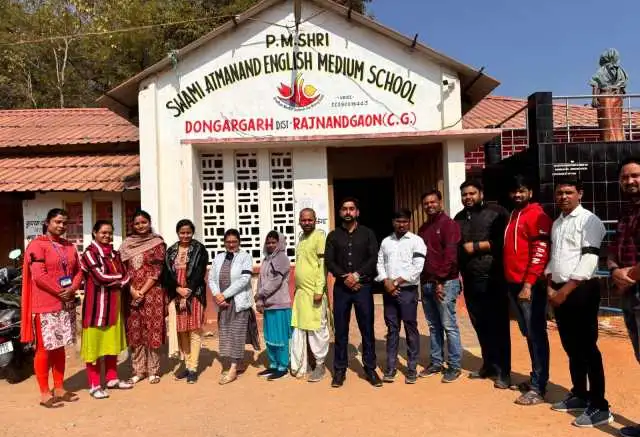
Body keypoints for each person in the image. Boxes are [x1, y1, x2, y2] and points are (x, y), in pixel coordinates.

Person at [546, 177, 612, 428]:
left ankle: (600, 405)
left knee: (588, 348)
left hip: (582, 289)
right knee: (570, 346)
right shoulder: (557, 223)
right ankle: (579, 394)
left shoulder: (589, 220)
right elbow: (555, 258)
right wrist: (551, 286)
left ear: (579, 194)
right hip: (561, 290)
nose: (563, 196)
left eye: (569, 192)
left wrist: (566, 291)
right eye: (560, 193)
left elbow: (589, 259)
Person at [21, 208, 82, 408]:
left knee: (60, 347)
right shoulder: (37, 245)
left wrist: (72, 288)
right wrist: (60, 291)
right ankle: (45, 393)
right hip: (45, 305)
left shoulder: (69, 246)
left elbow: (78, 271)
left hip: (65, 304)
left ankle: (59, 387)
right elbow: (39, 276)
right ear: (47, 222)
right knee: (44, 348)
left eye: (64, 222)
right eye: (57, 222)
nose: (61, 226)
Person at [454, 179, 511, 389]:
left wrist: (477, 246)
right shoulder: (459, 218)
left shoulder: (497, 212)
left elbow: (504, 241)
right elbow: (458, 249)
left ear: (481, 193)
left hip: (493, 278)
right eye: (464, 195)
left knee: (498, 326)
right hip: (470, 279)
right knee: (480, 324)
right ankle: (489, 364)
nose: (468, 198)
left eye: (472, 193)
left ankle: (504, 371)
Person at [503, 175, 552, 405]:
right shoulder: (514, 214)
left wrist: (529, 284)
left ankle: (539, 387)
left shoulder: (537, 215)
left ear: (530, 192)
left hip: (528, 286)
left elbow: (540, 251)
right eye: (513, 191)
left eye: (521, 191)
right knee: (529, 335)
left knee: (537, 335)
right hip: (515, 284)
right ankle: (535, 378)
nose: (517, 195)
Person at [325, 197, 381, 388]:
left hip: (363, 288)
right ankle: (339, 369)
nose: (348, 212)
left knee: (367, 328)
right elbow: (329, 261)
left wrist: (357, 276)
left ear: (357, 212)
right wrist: (345, 277)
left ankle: (370, 368)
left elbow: (374, 258)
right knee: (340, 330)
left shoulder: (368, 234)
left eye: (351, 209)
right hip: (341, 288)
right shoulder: (333, 236)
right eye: (344, 209)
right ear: (340, 212)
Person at [606, 157, 640, 437]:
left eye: (636, 175)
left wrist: (628, 277)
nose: (630, 181)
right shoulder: (626, 213)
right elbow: (613, 250)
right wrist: (615, 270)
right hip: (630, 295)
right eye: (625, 177)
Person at [80, 220, 133, 399]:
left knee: (111, 346)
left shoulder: (114, 254)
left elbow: (127, 276)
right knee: (94, 348)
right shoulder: (89, 254)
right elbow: (100, 277)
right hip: (96, 308)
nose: (107, 236)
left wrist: (118, 279)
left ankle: (112, 378)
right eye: (103, 232)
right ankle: (94, 385)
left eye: (110, 233)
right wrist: (119, 279)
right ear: (94, 232)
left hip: (113, 306)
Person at [417, 190, 463, 383]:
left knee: (448, 325)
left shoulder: (449, 225)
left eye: (433, 202)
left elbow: (451, 256)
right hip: (426, 283)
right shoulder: (424, 228)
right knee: (433, 326)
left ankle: (454, 366)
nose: (430, 205)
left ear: (440, 202)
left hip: (444, 283)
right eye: (426, 203)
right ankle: (436, 362)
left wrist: (440, 281)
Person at [376, 208, 426, 385]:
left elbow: (417, 267)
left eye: (405, 221)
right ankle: (390, 367)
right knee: (392, 329)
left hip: (407, 291)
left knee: (410, 328)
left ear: (409, 222)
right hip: (389, 292)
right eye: (398, 221)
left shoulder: (417, 241)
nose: (401, 224)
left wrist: (395, 283)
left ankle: (412, 368)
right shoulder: (385, 242)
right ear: (393, 222)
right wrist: (386, 282)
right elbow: (380, 264)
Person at [119, 210, 167, 385]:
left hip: (153, 292)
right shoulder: (126, 244)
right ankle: (138, 370)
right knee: (135, 331)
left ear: (149, 222)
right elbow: (121, 270)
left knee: (152, 330)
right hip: (130, 293)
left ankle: (153, 370)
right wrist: (132, 290)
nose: (140, 226)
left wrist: (143, 291)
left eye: (144, 222)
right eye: (137, 223)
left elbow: (157, 269)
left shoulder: (157, 243)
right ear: (132, 225)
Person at [209, 229, 260, 385]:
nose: (231, 245)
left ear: (239, 242)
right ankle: (238, 363)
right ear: (224, 242)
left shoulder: (245, 257)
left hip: (238, 302)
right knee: (226, 334)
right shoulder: (218, 258)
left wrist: (225, 294)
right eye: (228, 242)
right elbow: (211, 279)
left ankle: (232, 369)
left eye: (234, 242)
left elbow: (244, 279)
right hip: (223, 304)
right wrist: (218, 295)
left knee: (236, 334)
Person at [164, 219, 209, 384]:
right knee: (182, 330)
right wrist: (177, 290)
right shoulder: (171, 251)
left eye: (188, 232)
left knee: (194, 330)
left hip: (194, 293)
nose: (185, 235)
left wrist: (187, 291)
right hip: (176, 293)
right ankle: (187, 364)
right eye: (182, 232)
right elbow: (166, 274)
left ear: (193, 232)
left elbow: (199, 272)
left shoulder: (199, 250)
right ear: (177, 233)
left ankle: (194, 368)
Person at [290, 208, 330, 382]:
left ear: (315, 220)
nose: (306, 223)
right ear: (299, 221)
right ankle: (302, 363)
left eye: (309, 220)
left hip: (314, 293)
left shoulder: (320, 237)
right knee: (300, 328)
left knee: (317, 329)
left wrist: (319, 289)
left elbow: (322, 265)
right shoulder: (301, 239)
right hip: (301, 294)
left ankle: (320, 365)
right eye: (303, 220)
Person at [255, 231, 292, 381]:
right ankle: (274, 364)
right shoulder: (266, 259)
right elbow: (260, 280)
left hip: (279, 304)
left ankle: (283, 366)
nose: (270, 245)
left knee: (280, 336)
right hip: (268, 303)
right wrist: (259, 299)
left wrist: (261, 294)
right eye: (268, 242)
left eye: (273, 242)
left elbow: (276, 281)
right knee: (270, 336)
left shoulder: (282, 258)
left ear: (280, 243)